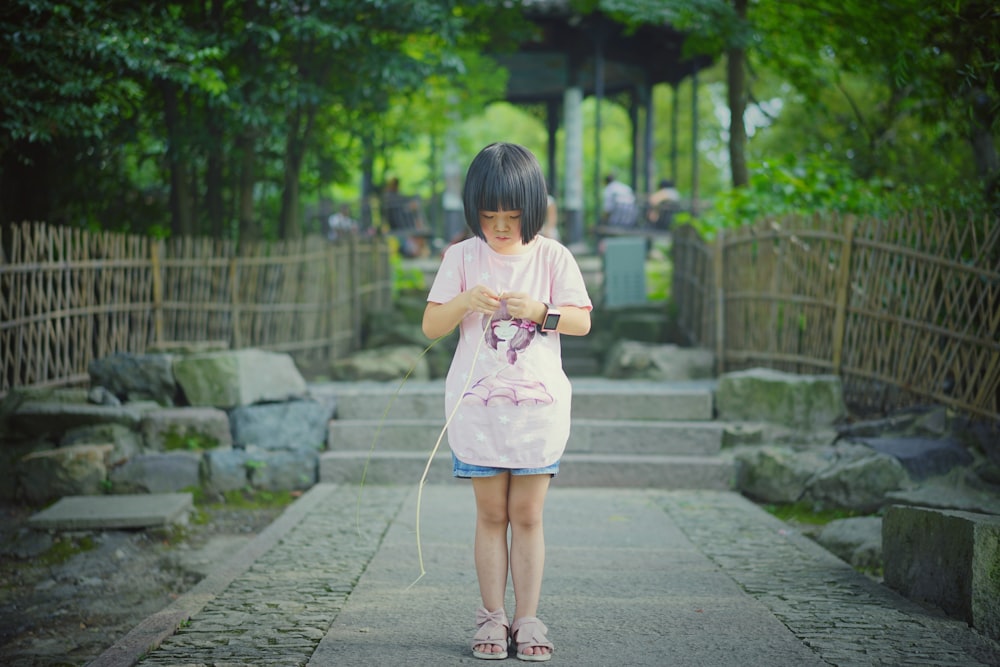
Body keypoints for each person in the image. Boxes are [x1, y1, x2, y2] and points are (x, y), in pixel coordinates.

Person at [422, 142, 592, 662]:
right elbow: (431, 325)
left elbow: (582, 322)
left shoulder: (553, 256)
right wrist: (464, 301)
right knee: (491, 513)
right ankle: (491, 616)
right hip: (479, 410)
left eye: (513, 216)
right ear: (473, 209)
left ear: (534, 210)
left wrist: (544, 311)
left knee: (529, 514)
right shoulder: (461, 257)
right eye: (489, 215)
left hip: (537, 411)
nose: (500, 226)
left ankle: (528, 617)